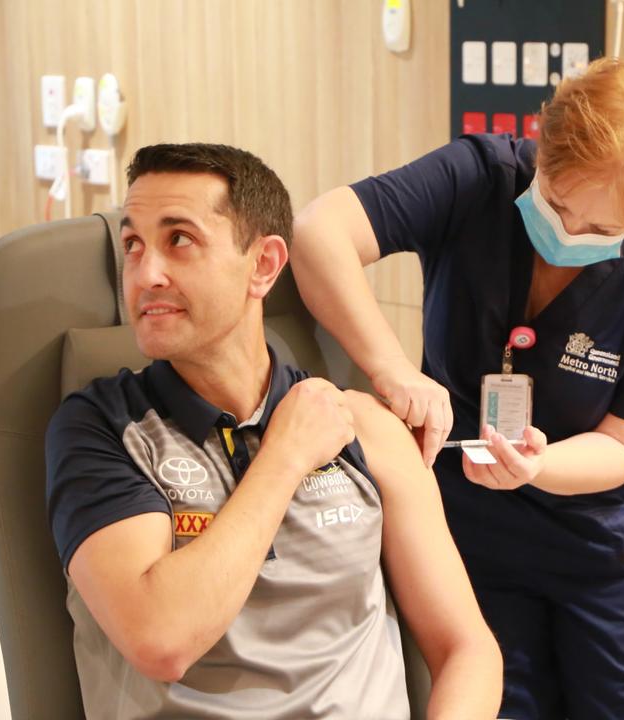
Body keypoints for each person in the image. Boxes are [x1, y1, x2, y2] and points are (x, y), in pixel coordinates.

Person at [290, 58, 624, 719]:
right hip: (475, 537)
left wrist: (539, 465)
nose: (569, 234)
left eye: (601, 231)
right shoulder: (477, 180)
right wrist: (392, 368)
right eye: (558, 203)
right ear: (540, 144)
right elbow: (319, 232)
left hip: (610, 550)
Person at [44, 143, 502, 719]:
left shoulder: (363, 429)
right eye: (133, 245)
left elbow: (467, 648)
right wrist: (284, 455)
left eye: (178, 240)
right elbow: (161, 639)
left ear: (263, 265)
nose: (145, 273)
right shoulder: (101, 429)